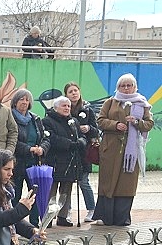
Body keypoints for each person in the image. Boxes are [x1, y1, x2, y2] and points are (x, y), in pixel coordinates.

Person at [93, 74, 154, 226]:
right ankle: (106, 217)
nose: (126, 88)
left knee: (126, 183)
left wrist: (137, 122)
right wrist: (115, 125)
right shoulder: (111, 102)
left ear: (135, 87)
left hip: (131, 151)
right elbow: (100, 120)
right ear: (118, 87)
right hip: (111, 148)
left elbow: (149, 124)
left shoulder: (142, 104)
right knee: (108, 182)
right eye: (123, 86)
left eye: (129, 85)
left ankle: (122, 218)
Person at [43, 96, 86, 228]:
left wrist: (82, 142)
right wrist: (70, 144)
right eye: (64, 106)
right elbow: (52, 138)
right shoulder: (48, 121)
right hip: (54, 161)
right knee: (51, 191)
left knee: (66, 190)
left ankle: (63, 216)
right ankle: (48, 217)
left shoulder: (74, 121)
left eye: (68, 106)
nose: (67, 108)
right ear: (56, 108)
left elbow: (82, 135)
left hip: (71, 161)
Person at [9, 89, 50, 227]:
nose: (25, 102)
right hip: (16, 162)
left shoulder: (35, 119)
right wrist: (29, 149)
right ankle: (14, 224)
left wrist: (42, 149)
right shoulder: (10, 118)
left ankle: (34, 224)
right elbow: (12, 140)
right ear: (15, 102)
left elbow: (45, 138)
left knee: (34, 193)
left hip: (34, 163)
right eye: (21, 99)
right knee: (15, 193)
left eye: (27, 100)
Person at [64, 82, 100, 223]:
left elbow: (96, 130)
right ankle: (66, 211)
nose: (74, 93)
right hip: (68, 150)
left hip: (83, 152)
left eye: (76, 90)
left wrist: (88, 128)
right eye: (70, 91)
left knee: (84, 182)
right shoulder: (63, 108)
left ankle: (92, 210)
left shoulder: (87, 109)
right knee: (67, 183)